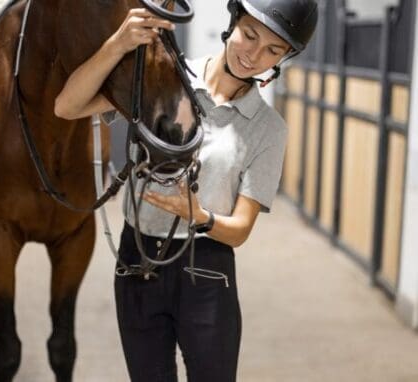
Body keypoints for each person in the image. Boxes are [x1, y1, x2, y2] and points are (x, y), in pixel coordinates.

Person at [55, 0, 318, 380]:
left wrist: (196, 213)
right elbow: (67, 106)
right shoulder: (162, 74)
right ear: (233, 23)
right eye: (249, 35)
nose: (253, 54)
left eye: (272, 50)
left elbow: (240, 230)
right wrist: (118, 44)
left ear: (283, 57)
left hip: (206, 269)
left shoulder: (268, 129)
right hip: (137, 260)